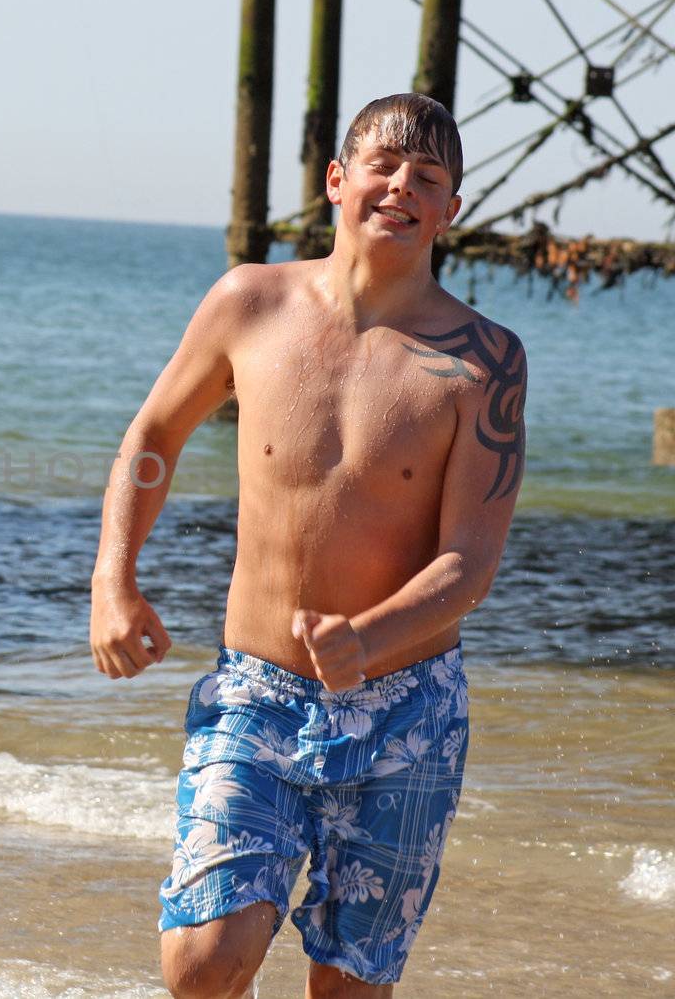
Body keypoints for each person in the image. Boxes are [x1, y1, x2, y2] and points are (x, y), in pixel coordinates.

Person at [90, 93, 525, 997]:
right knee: (204, 964)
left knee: (347, 989)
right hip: (258, 687)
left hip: (408, 711)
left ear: (452, 210)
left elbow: (467, 564)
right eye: (383, 164)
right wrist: (114, 579)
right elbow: (153, 438)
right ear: (337, 180)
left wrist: (368, 640)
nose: (402, 185)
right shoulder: (249, 302)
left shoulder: (484, 361)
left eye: (429, 178)